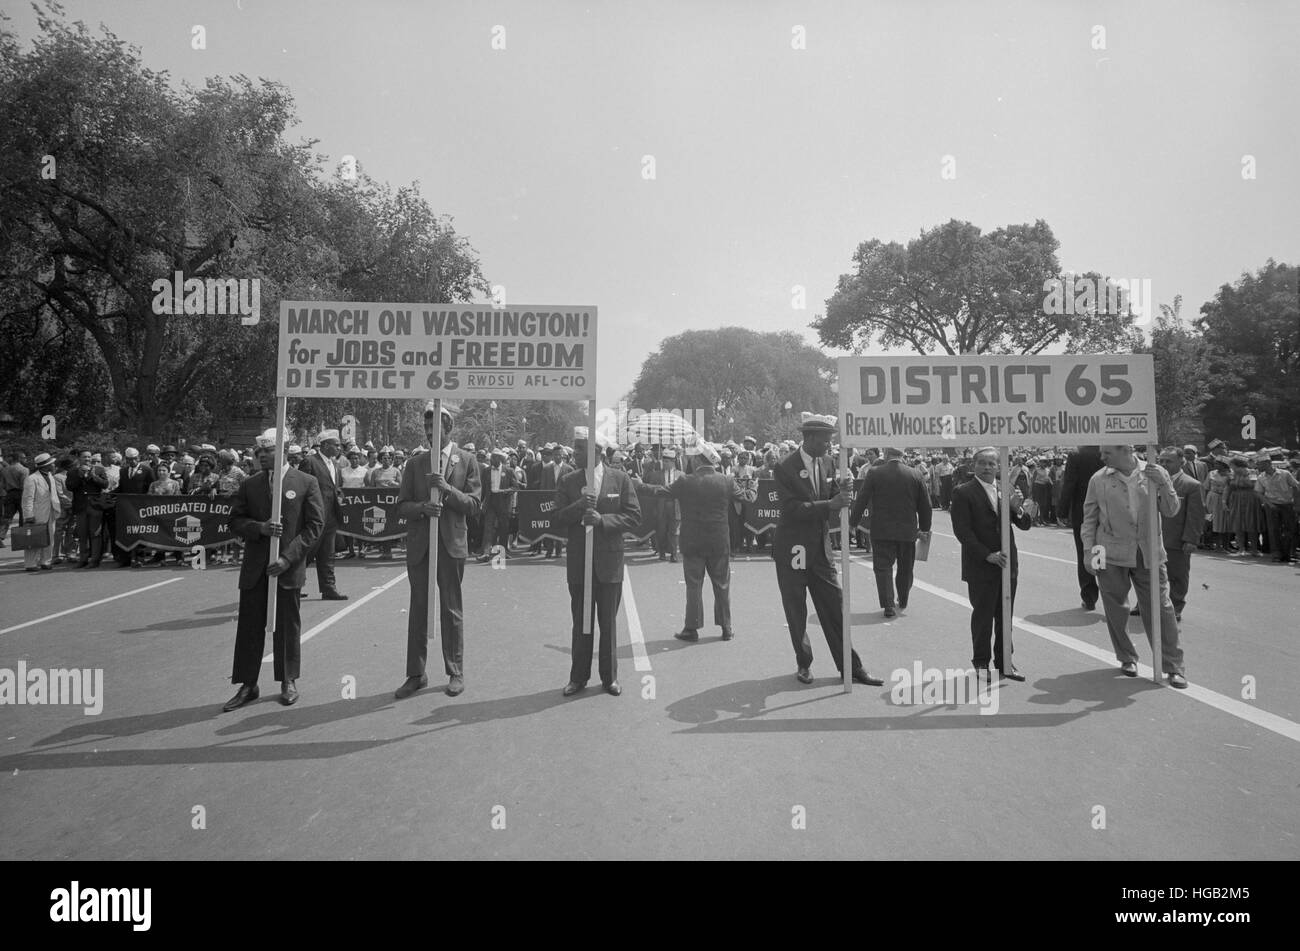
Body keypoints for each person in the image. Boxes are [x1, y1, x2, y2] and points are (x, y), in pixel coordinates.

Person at [772, 413, 882, 686]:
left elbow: (831, 495)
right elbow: (791, 509)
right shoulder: (785, 467)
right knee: (796, 611)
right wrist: (829, 505)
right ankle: (804, 663)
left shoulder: (830, 462)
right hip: (793, 551)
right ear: (809, 438)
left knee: (835, 608)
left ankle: (851, 667)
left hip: (821, 550)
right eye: (825, 441)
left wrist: (840, 490)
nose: (829, 446)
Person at [222, 428, 325, 711]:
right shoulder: (250, 484)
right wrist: (259, 528)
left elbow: (314, 526)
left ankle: (288, 679)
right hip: (256, 568)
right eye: (259, 452)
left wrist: (288, 559)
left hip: (287, 569)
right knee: (249, 627)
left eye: (268, 451)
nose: (262, 456)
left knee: (287, 626)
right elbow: (235, 521)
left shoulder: (306, 482)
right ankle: (247, 683)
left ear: (284, 450)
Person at [393, 403, 481, 700]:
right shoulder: (414, 464)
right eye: (427, 429)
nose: (431, 434)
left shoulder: (467, 460)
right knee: (418, 608)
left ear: (449, 429)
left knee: (451, 608)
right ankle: (415, 674)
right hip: (421, 546)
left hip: (451, 545)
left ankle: (455, 671)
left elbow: (473, 505)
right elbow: (402, 506)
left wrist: (446, 489)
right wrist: (421, 508)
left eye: (436, 429)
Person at [1081, 444, 1187, 688]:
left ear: (1125, 450)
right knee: (1115, 607)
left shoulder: (1154, 472)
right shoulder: (1098, 479)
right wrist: (1089, 552)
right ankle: (1127, 657)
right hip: (1110, 552)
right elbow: (1090, 519)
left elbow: (1171, 511)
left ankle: (1173, 666)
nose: (1102, 457)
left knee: (1161, 608)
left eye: (1107, 453)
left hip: (1148, 552)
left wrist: (1164, 484)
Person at [636, 441, 755, 641]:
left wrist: (640, 485)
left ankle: (692, 628)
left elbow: (661, 491)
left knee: (694, 586)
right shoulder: (726, 481)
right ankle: (726, 627)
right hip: (718, 541)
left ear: (700, 460)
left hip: (692, 541)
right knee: (722, 585)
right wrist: (753, 488)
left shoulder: (686, 481)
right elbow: (747, 498)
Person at [556, 427, 641, 697]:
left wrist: (603, 520)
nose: (574, 452)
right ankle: (578, 677)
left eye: (579, 448)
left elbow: (634, 517)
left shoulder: (620, 479)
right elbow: (558, 519)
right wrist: (581, 505)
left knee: (608, 624)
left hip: (609, 565)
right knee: (581, 623)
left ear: (596, 451)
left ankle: (609, 678)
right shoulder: (568, 480)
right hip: (580, 565)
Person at [949, 447, 1031, 681]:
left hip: (1007, 564)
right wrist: (987, 555)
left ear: (998, 467)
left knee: (1005, 615)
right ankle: (981, 662)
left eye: (991, 464)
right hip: (982, 565)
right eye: (982, 463)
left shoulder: (1006, 490)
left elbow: (1024, 524)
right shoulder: (963, 492)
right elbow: (963, 532)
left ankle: (1005, 661)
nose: (987, 467)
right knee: (983, 616)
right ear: (973, 465)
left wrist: (1018, 508)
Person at [849, 446, 932, 618]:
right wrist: (924, 529)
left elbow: (862, 499)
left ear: (886, 455)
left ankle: (888, 605)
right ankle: (903, 599)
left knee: (883, 567)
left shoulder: (875, 473)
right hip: (908, 530)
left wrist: (853, 522)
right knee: (905, 568)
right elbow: (926, 505)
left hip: (881, 529)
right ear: (902, 456)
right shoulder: (915, 474)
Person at [1154, 447, 1206, 623]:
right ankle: (1146, 604)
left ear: (1181, 462)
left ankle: (1176, 607)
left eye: (1168, 461)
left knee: (1177, 576)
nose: (1163, 464)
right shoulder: (1151, 482)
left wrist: (1191, 539)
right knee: (1149, 575)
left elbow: (1195, 515)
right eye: (1161, 461)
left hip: (1176, 539)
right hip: (1153, 538)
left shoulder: (1191, 485)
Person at [298, 429, 348, 599]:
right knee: (307, 552)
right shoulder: (310, 462)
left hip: (331, 516)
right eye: (336, 445)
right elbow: (302, 488)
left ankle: (328, 588)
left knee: (328, 554)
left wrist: (338, 494)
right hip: (315, 517)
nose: (339, 448)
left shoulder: (334, 464)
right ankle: (293, 585)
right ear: (325, 445)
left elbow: (332, 487)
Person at [1059, 445, 1104, 609]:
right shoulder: (1107, 450)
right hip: (1105, 510)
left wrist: (1062, 510)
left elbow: (1069, 483)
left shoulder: (1076, 455)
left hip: (1083, 510)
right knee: (1102, 552)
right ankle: (1109, 594)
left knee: (1085, 551)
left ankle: (1089, 596)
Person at [66, 449, 110, 568]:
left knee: (95, 534)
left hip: (95, 507)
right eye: (84, 457)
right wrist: (80, 477)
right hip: (81, 507)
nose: (87, 459)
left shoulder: (99, 469)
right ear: (79, 458)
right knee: (82, 534)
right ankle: (83, 559)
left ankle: (95, 559)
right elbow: (69, 486)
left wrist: (94, 477)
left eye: (89, 457)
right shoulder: (72, 472)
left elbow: (105, 484)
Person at [19, 453, 61, 571]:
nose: (54, 465)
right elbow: (27, 499)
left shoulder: (50, 476)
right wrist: (28, 516)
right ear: (46, 465)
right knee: (34, 538)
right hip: (37, 513)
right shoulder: (32, 479)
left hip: (51, 511)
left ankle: (45, 561)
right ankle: (30, 563)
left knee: (49, 538)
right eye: (52, 463)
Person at [1254, 452, 1298, 563]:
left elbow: (1296, 486)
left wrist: (1297, 504)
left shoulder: (1285, 474)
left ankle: (1286, 553)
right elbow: (1259, 493)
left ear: (1268, 463)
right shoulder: (1261, 477)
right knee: (1273, 530)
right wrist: (1269, 505)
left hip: (1287, 505)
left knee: (1289, 530)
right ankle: (1276, 554)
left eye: (1260, 464)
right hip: (1271, 505)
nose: (1257, 466)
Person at [478, 448, 520, 562]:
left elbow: (516, 486)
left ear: (500, 459)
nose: (492, 459)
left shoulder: (509, 471)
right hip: (491, 500)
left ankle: (503, 552)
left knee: (504, 527)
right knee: (488, 527)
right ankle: (486, 553)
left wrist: (507, 490)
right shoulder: (486, 471)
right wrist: (480, 502)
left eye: (494, 457)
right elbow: (481, 488)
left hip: (503, 500)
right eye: (491, 457)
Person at [1224, 456, 1262, 556]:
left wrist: (1242, 478)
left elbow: (1254, 485)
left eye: (1232, 465)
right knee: (1237, 523)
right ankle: (1241, 549)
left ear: (1238, 465)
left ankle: (1254, 549)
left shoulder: (1252, 472)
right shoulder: (1231, 474)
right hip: (1236, 499)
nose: (1231, 468)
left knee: (1251, 523)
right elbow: (1228, 488)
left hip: (1251, 498)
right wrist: (1224, 501)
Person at [0, 450, 30, 548]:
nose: (26, 459)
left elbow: (3, 485)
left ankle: (0, 536)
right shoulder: (24, 470)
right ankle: (22, 538)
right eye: (24, 458)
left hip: (9, 494)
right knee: (23, 517)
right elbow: (24, 485)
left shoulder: (4, 470)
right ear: (19, 458)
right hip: (21, 493)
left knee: (7, 517)